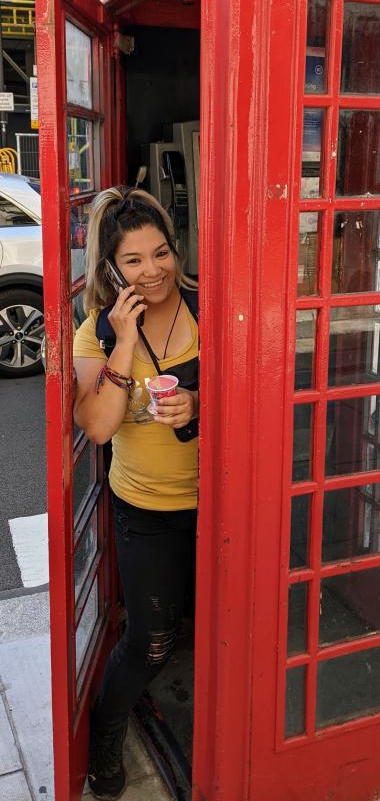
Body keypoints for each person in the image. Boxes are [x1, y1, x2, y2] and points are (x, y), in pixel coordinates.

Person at [73, 186, 198, 801]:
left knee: (212, 620)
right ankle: (106, 729)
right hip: (146, 505)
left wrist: (199, 403)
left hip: (222, 501)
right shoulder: (96, 333)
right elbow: (97, 425)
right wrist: (123, 339)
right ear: (110, 268)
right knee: (151, 640)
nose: (152, 271)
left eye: (161, 253)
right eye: (133, 260)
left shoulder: (210, 305)